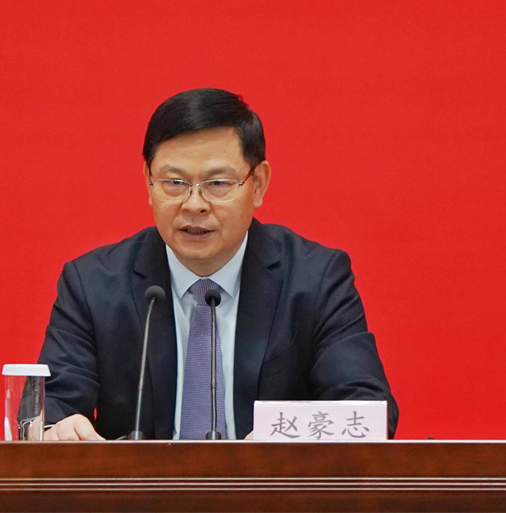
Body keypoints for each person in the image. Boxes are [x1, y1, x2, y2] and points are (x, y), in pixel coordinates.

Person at [38, 88, 398, 440]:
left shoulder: (314, 279)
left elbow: (367, 409)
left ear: (258, 184)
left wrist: (282, 443)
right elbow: (51, 407)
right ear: (148, 184)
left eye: (218, 183)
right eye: (174, 182)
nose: (194, 204)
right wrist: (57, 429)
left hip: (269, 481)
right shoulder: (92, 285)